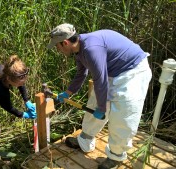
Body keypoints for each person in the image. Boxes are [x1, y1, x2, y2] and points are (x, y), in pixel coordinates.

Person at [47, 23, 152, 169]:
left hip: (132, 70)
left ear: (65, 43)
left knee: (123, 116)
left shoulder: (91, 49)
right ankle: (85, 139)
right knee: (94, 103)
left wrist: (102, 108)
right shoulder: (79, 49)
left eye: (57, 46)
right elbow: (81, 73)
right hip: (112, 70)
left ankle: (115, 157)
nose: (57, 50)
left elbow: (100, 81)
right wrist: (68, 93)